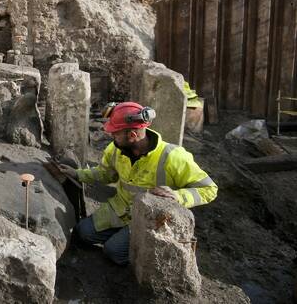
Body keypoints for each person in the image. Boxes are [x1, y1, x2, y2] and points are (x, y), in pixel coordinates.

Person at [58, 102, 217, 265]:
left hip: (150, 220)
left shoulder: (173, 157)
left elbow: (209, 189)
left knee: (113, 251)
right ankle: (122, 237)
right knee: (82, 232)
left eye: (116, 133)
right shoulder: (115, 150)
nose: (111, 136)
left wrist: (178, 196)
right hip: (120, 210)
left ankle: (150, 256)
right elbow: (105, 174)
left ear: (133, 135)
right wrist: (76, 174)